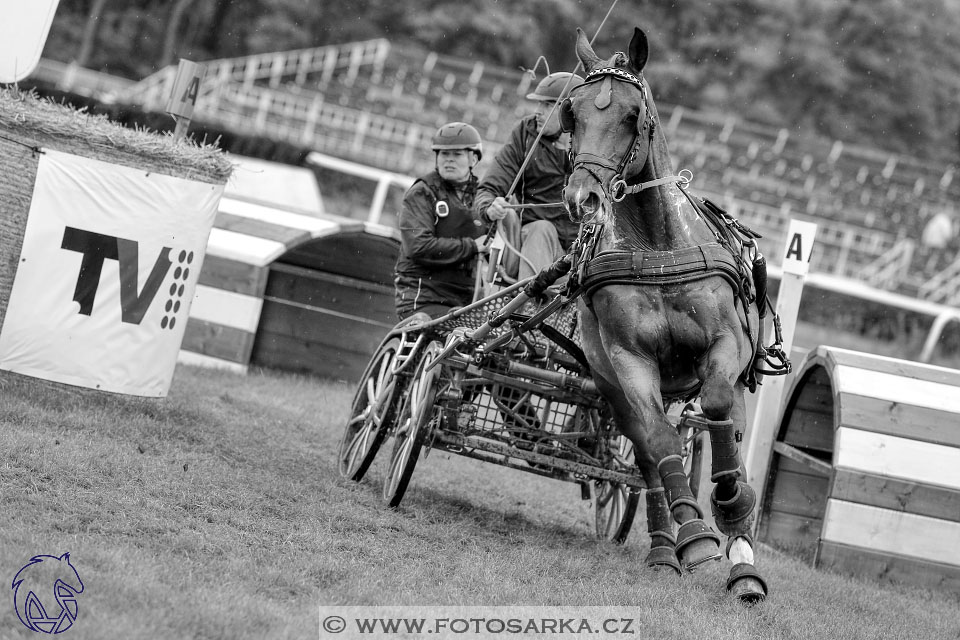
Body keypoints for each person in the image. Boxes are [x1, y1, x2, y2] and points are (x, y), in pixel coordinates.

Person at [474, 71, 584, 281]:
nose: (538, 112)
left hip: (578, 252)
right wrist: (489, 206)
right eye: (539, 104)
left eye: (547, 105)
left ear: (570, 112)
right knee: (541, 230)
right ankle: (532, 306)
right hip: (530, 246)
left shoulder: (592, 145)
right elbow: (489, 188)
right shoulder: (525, 134)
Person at [394, 122, 488, 320]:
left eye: (457, 155)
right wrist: (472, 246)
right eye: (444, 154)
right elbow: (418, 246)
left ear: (474, 159)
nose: (449, 161)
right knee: (459, 331)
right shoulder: (422, 193)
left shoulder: (484, 199)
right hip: (422, 298)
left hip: (465, 302)